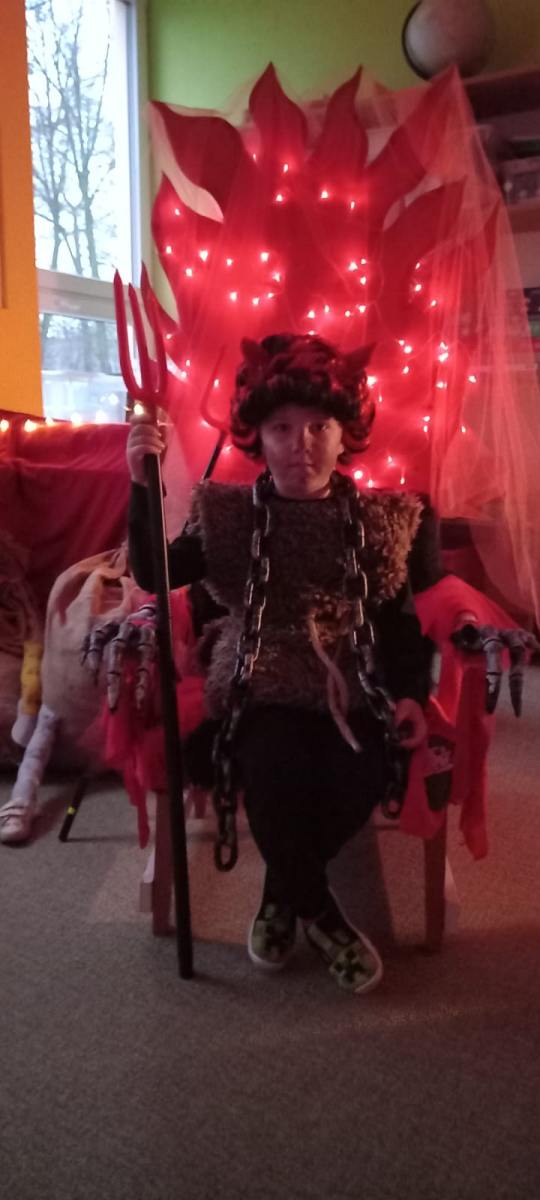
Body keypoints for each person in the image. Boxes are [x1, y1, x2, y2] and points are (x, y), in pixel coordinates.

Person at [126, 333, 437, 995]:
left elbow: (399, 622)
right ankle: (323, 916)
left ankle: (282, 893)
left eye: (319, 426)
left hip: (350, 679)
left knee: (360, 776)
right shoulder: (228, 516)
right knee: (271, 770)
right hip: (260, 674)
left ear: (345, 433)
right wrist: (140, 487)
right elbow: (154, 573)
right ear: (259, 439)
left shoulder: (378, 523)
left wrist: (411, 691)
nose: (302, 444)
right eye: (282, 429)